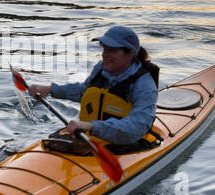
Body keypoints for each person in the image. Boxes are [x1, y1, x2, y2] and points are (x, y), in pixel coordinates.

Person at [29, 25, 161, 154]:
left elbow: (138, 126)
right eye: (105, 49)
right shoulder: (101, 69)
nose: (105, 55)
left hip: (126, 143)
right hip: (90, 136)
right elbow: (85, 92)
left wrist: (92, 126)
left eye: (112, 51)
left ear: (130, 53)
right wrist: (51, 90)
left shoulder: (144, 85)